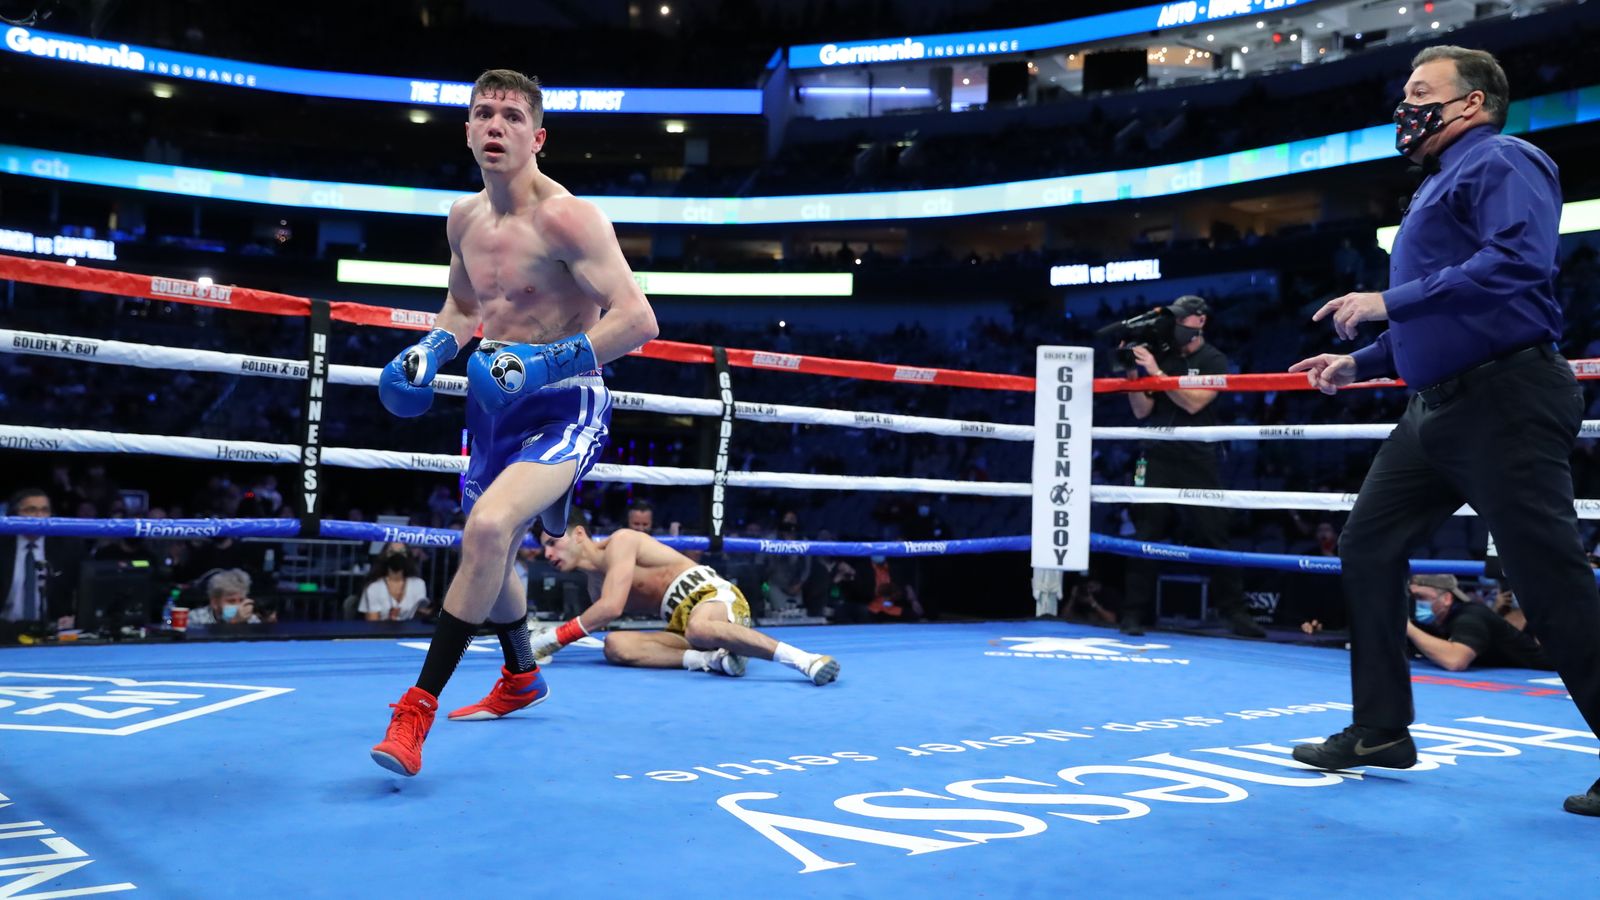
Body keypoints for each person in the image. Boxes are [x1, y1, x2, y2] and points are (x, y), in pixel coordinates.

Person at [1287, 47, 1600, 816]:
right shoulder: (1436, 183)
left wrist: (1389, 303)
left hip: (1506, 396)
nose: (1406, 106)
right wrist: (1360, 362)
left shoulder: (1503, 158)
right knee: (1368, 543)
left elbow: (1517, 263)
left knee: (1549, 580)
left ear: (1474, 103)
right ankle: (1381, 728)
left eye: (1422, 92)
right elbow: (1440, 310)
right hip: (1437, 406)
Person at [369, 68, 659, 777]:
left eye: (510, 115)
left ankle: (416, 710)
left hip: (565, 400)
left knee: (491, 528)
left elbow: (638, 320)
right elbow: (465, 308)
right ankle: (522, 674)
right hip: (491, 403)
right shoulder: (462, 219)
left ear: (538, 136)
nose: (495, 125)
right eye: (483, 114)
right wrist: (431, 348)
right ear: (467, 130)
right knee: (488, 551)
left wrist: (543, 364)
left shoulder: (569, 218)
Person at [516, 510, 839, 688]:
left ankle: (804, 659)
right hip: (684, 626)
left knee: (699, 628)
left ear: (579, 534)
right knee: (615, 645)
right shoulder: (595, 588)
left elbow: (611, 607)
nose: (548, 554)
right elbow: (603, 614)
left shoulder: (622, 541)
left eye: (551, 543)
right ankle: (714, 661)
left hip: (716, 598)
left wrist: (551, 640)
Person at [1120, 294, 1264, 639]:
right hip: (1156, 454)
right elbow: (1141, 411)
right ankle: (1133, 614)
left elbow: (1195, 403)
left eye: (1182, 319)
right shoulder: (1163, 355)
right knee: (1145, 534)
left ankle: (1236, 613)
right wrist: (1129, 373)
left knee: (1214, 534)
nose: (1176, 325)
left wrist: (1157, 372)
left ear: (1200, 321)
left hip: (1199, 457)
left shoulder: (1214, 359)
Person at [1405, 574, 1551, 672]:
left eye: (1420, 597)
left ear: (1447, 599)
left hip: (1542, 674)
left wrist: (1408, 628)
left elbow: (1455, 660)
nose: (1415, 603)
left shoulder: (1470, 617)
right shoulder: (1431, 621)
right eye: (1411, 598)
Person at [1, 488, 85, 643]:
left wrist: (76, 617)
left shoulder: (68, 546)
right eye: (31, 510)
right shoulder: (2, 545)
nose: (39, 517)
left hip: (53, 632)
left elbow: (84, 589)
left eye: (44, 510)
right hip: (4, 631)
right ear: (14, 516)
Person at [360, 542, 432, 621]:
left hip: (411, 632)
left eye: (401, 552)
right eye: (392, 552)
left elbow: (419, 619)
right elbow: (371, 626)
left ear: (407, 556)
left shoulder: (419, 584)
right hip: (382, 632)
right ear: (384, 556)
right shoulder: (373, 587)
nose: (397, 556)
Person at [185, 568, 267, 625]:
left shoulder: (251, 619)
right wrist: (234, 623)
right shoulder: (195, 618)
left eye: (241, 600)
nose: (238, 606)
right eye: (231, 601)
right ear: (215, 602)